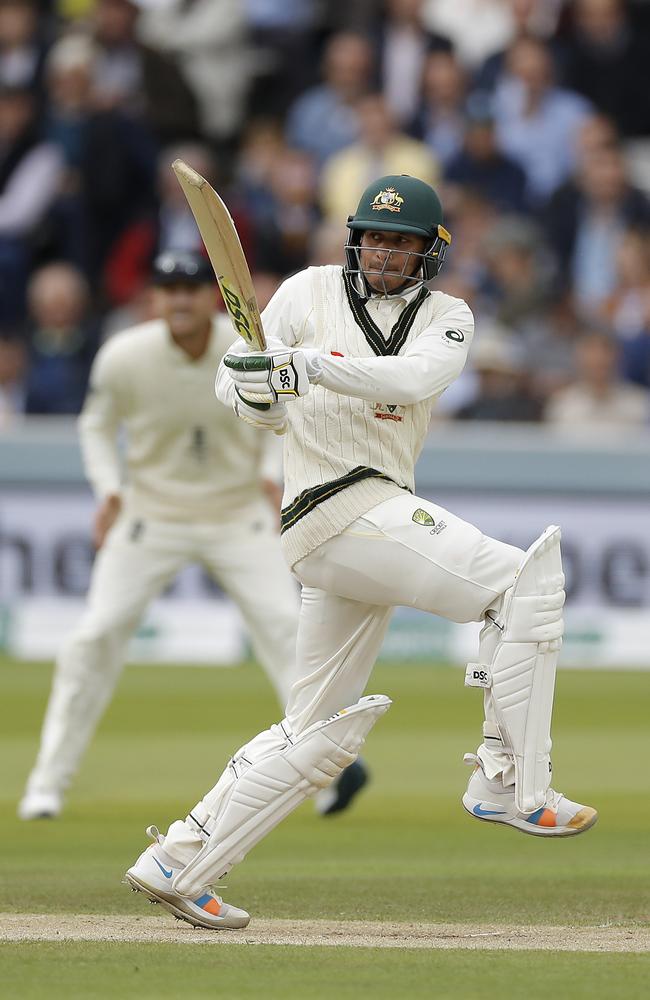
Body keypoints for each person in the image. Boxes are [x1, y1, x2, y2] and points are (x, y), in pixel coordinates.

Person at [124, 177, 597, 931]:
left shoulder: (449, 316)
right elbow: (236, 387)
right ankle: (509, 781)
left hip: (368, 521)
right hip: (333, 506)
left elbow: (415, 379)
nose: (383, 253)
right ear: (355, 238)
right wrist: (255, 392)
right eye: (374, 238)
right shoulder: (305, 292)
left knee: (315, 733)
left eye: (401, 243)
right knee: (522, 583)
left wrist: (304, 368)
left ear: (427, 253)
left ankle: (179, 859)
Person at [18, 251, 300, 821]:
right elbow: (95, 426)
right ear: (153, 300)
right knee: (94, 636)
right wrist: (108, 490)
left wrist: (273, 479)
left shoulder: (245, 347)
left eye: (191, 289)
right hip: (151, 513)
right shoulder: (125, 355)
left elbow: (278, 417)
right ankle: (48, 783)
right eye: (168, 290)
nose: (179, 301)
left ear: (211, 298)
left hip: (237, 512)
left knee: (289, 628)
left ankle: (319, 772)